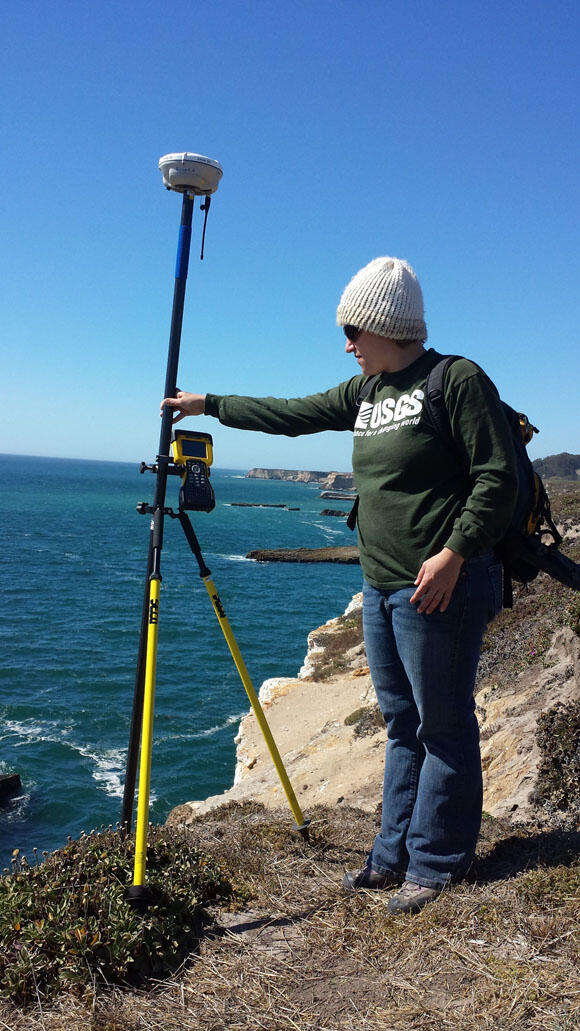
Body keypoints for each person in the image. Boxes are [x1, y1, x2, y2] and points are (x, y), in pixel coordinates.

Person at [161, 256, 517, 914]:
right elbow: (290, 413)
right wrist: (208, 404)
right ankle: (391, 855)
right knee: (401, 722)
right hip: (380, 586)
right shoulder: (368, 392)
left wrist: (454, 554)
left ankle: (436, 864)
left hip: (439, 586)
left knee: (442, 725)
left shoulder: (455, 380)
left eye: (353, 330)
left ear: (387, 324)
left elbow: (498, 477)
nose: (347, 344)